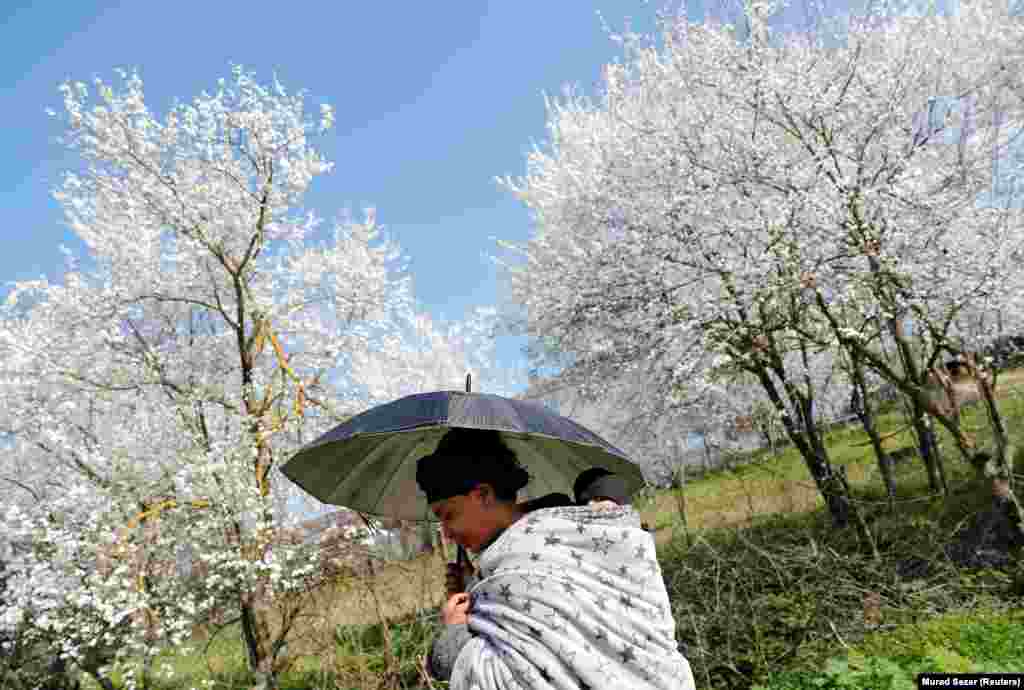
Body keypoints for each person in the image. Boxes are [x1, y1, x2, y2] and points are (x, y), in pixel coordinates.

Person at [418, 428, 694, 689]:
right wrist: (474, 591)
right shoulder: (578, 534)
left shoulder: (520, 563)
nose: (446, 533)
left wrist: (454, 637)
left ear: (483, 495)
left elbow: (518, 680)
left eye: (448, 515)